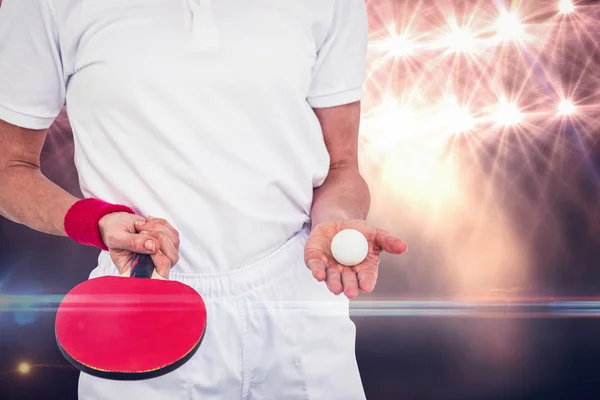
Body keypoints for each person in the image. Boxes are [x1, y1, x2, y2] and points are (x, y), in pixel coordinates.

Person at [0, 0, 407, 398]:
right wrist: (97, 220)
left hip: (300, 306)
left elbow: (341, 168)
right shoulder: (44, 5)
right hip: (141, 309)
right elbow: (8, 169)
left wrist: (336, 224)